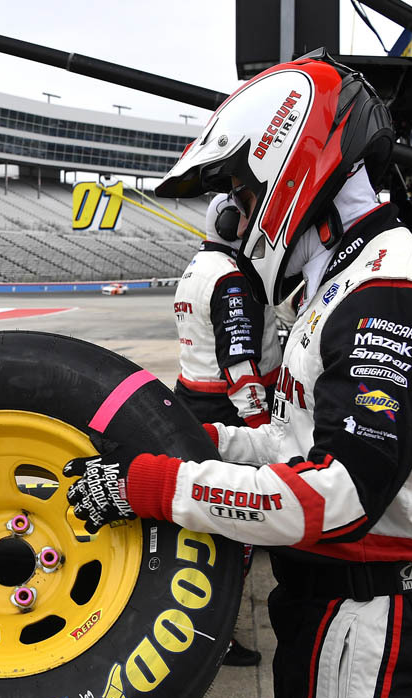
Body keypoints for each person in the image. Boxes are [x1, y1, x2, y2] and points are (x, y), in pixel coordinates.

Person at [63, 52, 412, 698]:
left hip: (383, 614)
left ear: (288, 166)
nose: (238, 207)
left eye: (241, 186)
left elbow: (335, 495)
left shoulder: (396, 291)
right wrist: (191, 442)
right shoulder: (346, 282)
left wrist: (153, 485)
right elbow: (293, 443)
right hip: (342, 605)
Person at [173, 192, 282, 666]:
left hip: (193, 401)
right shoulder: (230, 278)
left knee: (204, 524)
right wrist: (263, 427)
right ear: (233, 222)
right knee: (236, 526)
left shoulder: (195, 269)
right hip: (228, 412)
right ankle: (217, 636)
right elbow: (238, 362)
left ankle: (203, 626)